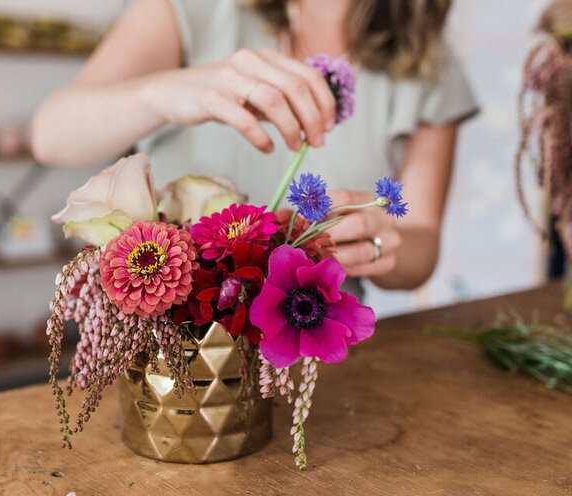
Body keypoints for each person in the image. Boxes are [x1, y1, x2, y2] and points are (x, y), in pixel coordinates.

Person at [32, 0, 478, 294]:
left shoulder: (427, 61)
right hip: (177, 349)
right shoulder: (196, 10)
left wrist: (378, 242)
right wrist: (169, 90)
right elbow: (52, 135)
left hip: (313, 351)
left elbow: (422, 243)